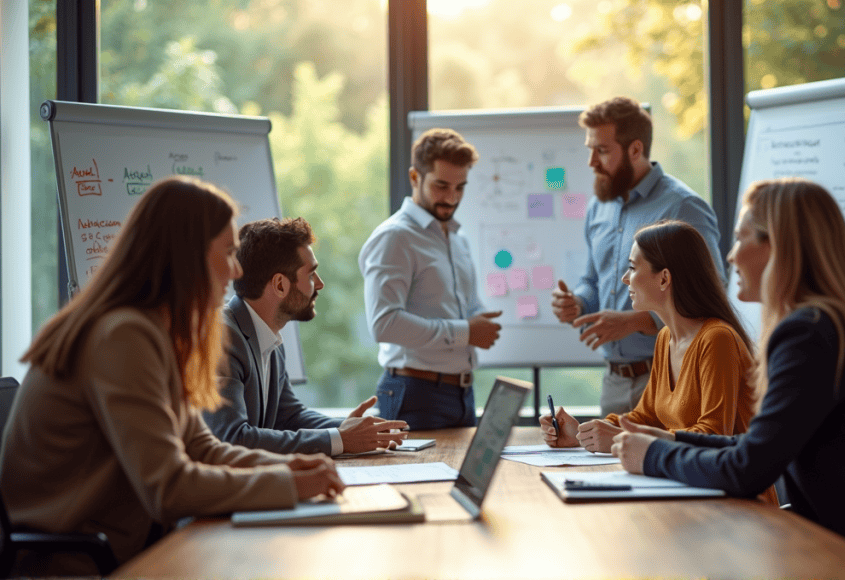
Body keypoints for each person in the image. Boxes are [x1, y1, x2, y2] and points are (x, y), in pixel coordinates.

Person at [611, 178, 845, 559]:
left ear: (776, 247)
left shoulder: (810, 335)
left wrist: (653, 456)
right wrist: (672, 441)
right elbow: (756, 446)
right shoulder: (827, 323)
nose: (731, 256)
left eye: (741, 238)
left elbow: (747, 470)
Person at [0, 177, 344, 573]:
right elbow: (169, 487)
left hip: (129, 546)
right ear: (188, 255)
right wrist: (290, 485)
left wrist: (282, 467)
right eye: (229, 252)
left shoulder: (156, 332)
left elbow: (203, 448)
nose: (236, 270)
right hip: (79, 563)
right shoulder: (122, 335)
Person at [551, 96, 725, 416]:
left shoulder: (683, 207)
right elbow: (593, 280)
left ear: (635, 149)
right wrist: (577, 303)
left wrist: (636, 322)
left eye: (601, 151)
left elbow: (713, 296)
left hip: (668, 377)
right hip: (613, 381)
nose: (591, 162)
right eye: (590, 149)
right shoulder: (598, 207)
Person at [541, 220, 756, 454]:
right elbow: (647, 417)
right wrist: (583, 433)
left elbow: (715, 436)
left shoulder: (717, 339)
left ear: (664, 278)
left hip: (732, 490)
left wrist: (620, 437)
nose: (625, 278)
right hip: (686, 481)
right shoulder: (665, 338)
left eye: (632, 268)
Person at [203, 217, 407, 455]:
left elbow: (289, 416)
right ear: (279, 285)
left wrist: (350, 429)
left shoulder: (268, 336)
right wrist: (340, 438)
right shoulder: (223, 338)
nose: (319, 284)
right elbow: (232, 438)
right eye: (311, 275)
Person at [359, 128, 501, 430]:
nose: (452, 198)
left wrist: (478, 321)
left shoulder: (456, 238)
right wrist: (465, 331)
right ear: (414, 178)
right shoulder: (395, 237)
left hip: (461, 392)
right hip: (414, 393)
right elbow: (383, 323)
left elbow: (465, 306)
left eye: (460, 187)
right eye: (441, 186)